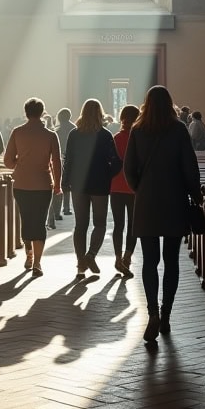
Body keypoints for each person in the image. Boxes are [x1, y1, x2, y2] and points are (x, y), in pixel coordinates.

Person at [123, 84, 201, 345]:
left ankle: (153, 312)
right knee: (171, 261)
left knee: (149, 262)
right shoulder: (178, 130)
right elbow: (190, 167)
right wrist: (195, 194)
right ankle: (166, 314)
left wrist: (140, 189)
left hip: (146, 203)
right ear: (169, 104)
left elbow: (129, 169)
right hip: (174, 201)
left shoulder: (137, 130)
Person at [61, 98, 121, 278]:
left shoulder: (74, 134)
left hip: (79, 183)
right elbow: (116, 162)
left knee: (81, 224)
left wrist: (65, 181)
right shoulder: (105, 135)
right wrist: (107, 173)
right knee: (100, 223)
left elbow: (68, 160)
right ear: (99, 114)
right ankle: (91, 255)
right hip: (99, 183)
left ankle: (80, 263)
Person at [2, 98, 61, 276]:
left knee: (26, 219)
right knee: (40, 222)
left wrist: (20, 163)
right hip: (43, 184)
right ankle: (37, 263)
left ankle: (28, 254)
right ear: (42, 112)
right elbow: (57, 163)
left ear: (26, 112)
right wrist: (58, 185)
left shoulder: (17, 132)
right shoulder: (50, 135)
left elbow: (7, 161)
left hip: (21, 184)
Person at [109, 103, 139, 275]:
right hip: (134, 187)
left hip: (116, 186)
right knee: (133, 226)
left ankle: (118, 257)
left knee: (118, 225)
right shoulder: (140, 137)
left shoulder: (116, 138)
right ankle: (127, 257)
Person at [48, 107, 76, 228]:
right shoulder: (74, 128)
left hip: (59, 157)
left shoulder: (57, 130)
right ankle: (66, 207)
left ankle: (57, 211)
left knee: (58, 183)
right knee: (68, 184)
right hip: (70, 158)